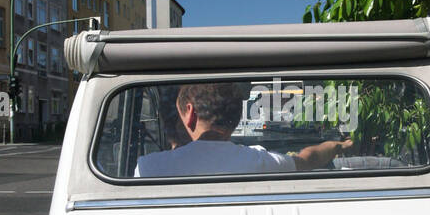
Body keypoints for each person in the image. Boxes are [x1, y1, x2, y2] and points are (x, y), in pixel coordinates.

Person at [135, 81, 353, 178]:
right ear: (236, 117)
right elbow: (308, 159)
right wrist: (338, 145)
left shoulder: (149, 167)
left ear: (190, 113)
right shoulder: (259, 161)